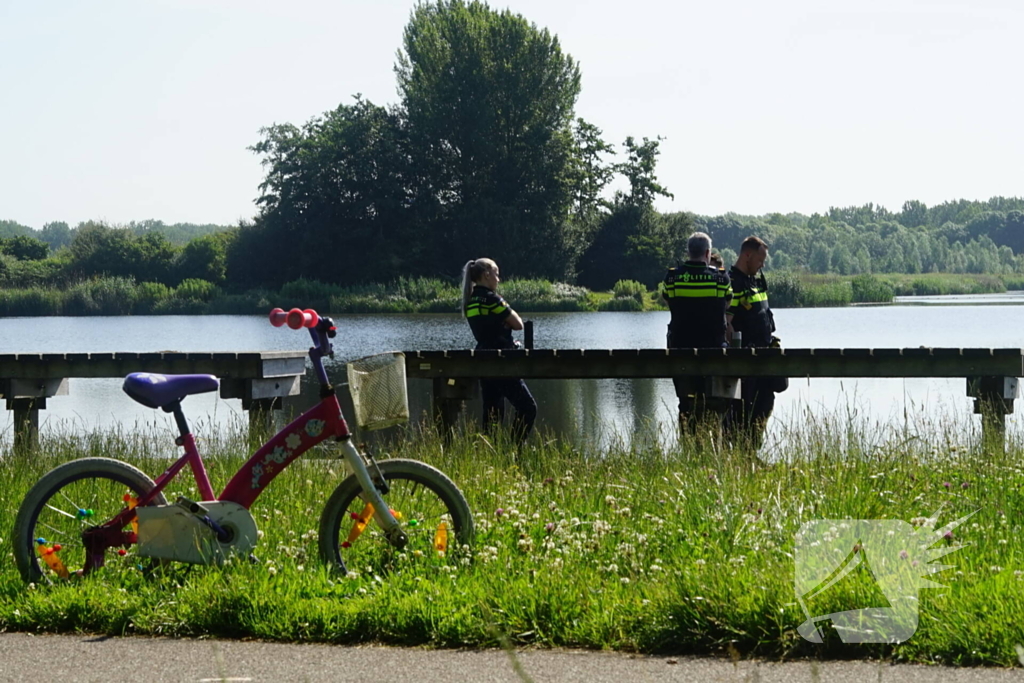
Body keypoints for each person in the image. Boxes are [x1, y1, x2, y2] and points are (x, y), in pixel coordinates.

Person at [662, 232, 733, 433]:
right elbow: (727, 303)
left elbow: (668, 300)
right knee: (714, 402)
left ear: (688, 251)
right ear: (708, 253)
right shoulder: (720, 278)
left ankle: (688, 445)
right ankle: (712, 444)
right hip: (713, 351)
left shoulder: (673, 276)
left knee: (686, 403)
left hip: (680, 350)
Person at [462, 258, 537, 443]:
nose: (498, 279)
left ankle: (491, 458)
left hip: (483, 360)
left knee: (492, 414)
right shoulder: (492, 299)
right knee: (527, 407)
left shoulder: (470, 302)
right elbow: (518, 324)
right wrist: (504, 321)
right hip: (501, 360)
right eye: (496, 274)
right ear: (486, 275)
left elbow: (486, 328)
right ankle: (515, 449)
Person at [724, 236, 782, 449]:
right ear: (747, 255)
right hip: (745, 361)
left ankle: (751, 451)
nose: (762, 265)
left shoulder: (756, 281)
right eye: (760, 259)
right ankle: (739, 454)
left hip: (765, 356)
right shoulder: (733, 282)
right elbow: (726, 323)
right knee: (741, 410)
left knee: (766, 403)